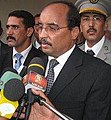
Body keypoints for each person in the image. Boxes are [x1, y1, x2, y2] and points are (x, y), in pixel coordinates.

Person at [16, 1, 111, 120]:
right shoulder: (34, 63)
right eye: (40, 27)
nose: (42, 35)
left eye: (52, 28)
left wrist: (55, 118)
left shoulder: (100, 73)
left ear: (74, 32)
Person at [1, 10, 46, 77]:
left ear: (29, 32)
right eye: (8, 27)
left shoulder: (43, 59)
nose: (9, 32)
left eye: (15, 27)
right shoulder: (1, 55)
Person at [75, 0, 111, 65]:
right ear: (80, 26)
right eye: (86, 19)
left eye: (96, 18)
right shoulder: (74, 53)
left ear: (105, 25)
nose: (91, 24)